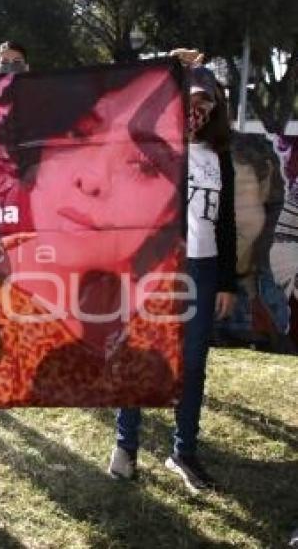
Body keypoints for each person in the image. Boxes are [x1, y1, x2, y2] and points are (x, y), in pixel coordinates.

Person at [0, 63, 188, 407]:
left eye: (145, 165)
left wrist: (177, 68)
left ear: (170, 207)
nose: (92, 179)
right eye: (79, 133)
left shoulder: (166, 290)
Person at [110, 62, 238, 493]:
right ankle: (126, 445)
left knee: (195, 363)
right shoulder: (156, 147)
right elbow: (135, 119)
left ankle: (184, 451)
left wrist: (225, 281)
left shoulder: (219, 156)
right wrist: (167, 67)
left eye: (206, 101)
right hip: (157, 267)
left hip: (203, 269)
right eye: (190, 100)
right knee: (143, 355)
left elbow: (226, 222)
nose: (197, 109)